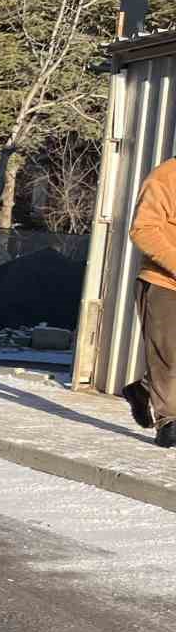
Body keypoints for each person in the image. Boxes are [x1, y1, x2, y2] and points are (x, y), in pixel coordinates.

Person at [125, 158, 176, 447]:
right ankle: (168, 420)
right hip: (164, 283)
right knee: (167, 355)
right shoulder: (165, 178)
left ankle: (143, 390)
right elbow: (143, 229)